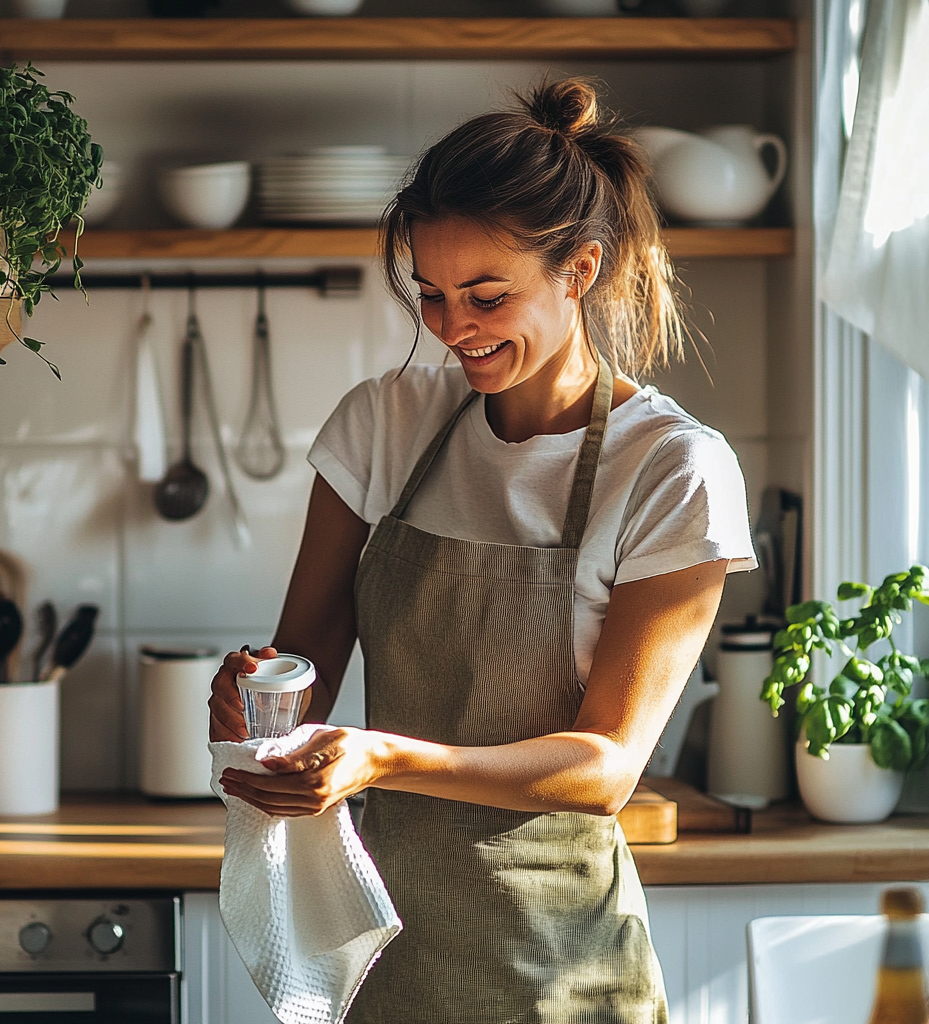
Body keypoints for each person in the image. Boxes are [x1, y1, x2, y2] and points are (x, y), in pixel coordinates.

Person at [209, 77, 757, 1023]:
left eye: (486, 295)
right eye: (430, 294)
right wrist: (266, 701)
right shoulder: (387, 422)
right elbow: (308, 658)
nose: (452, 327)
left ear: (579, 271)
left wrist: (384, 757)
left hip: (562, 973)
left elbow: (604, 768)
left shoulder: (671, 469)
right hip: (388, 953)